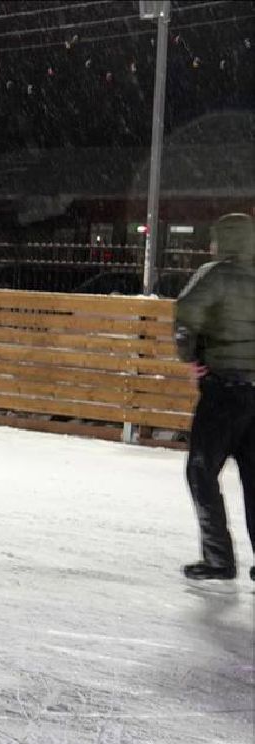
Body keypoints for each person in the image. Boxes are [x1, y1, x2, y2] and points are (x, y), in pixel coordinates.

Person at [174, 212, 255, 581]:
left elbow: (186, 314)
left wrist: (191, 357)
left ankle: (219, 558)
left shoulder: (216, 274)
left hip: (224, 391)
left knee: (201, 471)